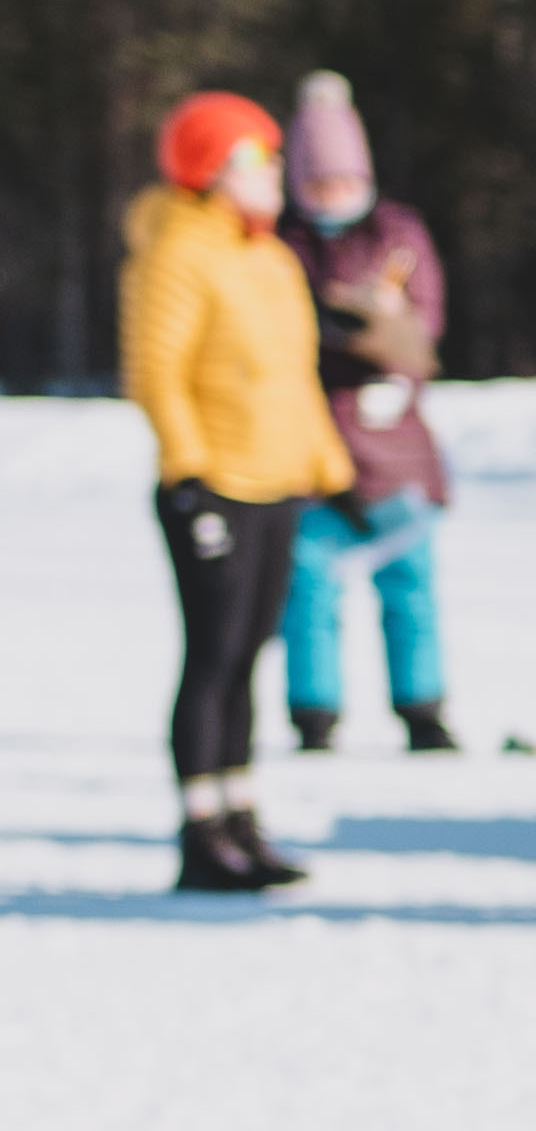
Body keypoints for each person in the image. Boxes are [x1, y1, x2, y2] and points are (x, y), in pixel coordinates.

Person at [120, 89, 350, 897]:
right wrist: (187, 472)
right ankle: (202, 833)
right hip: (213, 486)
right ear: (211, 170)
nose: (276, 173)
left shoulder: (271, 259)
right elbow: (157, 372)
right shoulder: (177, 252)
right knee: (213, 654)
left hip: (276, 483)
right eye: (258, 159)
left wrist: (329, 468)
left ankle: (242, 818)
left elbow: (295, 377)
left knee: (251, 653)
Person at [275, 70, 459, 754]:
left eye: (342, 182)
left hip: (392, 438)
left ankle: (422, 708)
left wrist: (393, 347)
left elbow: (427, 320)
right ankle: (314, 713)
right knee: (309, 582)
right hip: (311, 441)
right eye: (319, 184)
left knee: (409, 579)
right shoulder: (283, 241)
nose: (332, 196)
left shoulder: (397, 233)